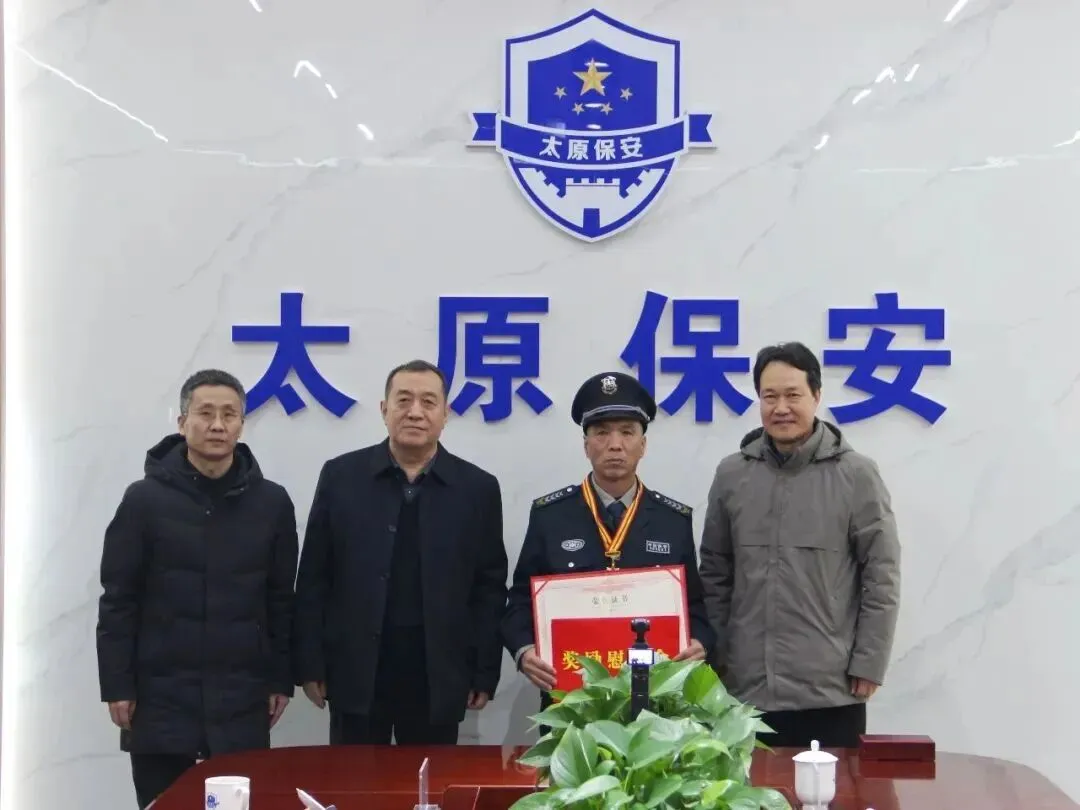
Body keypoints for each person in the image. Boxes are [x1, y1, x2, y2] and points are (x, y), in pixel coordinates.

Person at [96, 369, 299, 809]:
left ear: (242, 424)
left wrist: (280, 678)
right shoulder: (143, 500)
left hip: (240, 699)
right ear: (182, 422)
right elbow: (118, 599)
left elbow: (281, 600)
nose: (217, 425)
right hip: (160, 700)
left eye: (229, 415)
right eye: (205, 413)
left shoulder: (272, 503)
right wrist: (117, 684)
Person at [292, 359, 508, 745]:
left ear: (446, 414)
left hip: (438, 672)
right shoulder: (341, 477)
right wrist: (310, 663)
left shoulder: (477, 488)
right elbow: (313, 578)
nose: (415, 412)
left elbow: (488, 588)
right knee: (354, 778)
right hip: (355, 668)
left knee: (430, 779)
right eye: (403, 400)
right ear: (384, 409)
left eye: (428, 402)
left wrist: (484, 671)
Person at [699, 342, 901, 748]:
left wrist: (869, 662)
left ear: (817, 396)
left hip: (830, 689)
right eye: (769, 396)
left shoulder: (856, 475)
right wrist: (717, 657)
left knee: (833, 786)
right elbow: (715, 571)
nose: (781, 408)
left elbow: (881, 574)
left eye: (793, 395)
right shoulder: (732, 474)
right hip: (745, 688)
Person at [502, 371, 716, 698]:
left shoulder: (673, 521)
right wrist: (524, 650)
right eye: (601, 432)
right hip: (571, 696)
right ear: (586, 445)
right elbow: (519, 601)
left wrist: (700, 641)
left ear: (643, 445)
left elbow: (696, 606)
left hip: (655, 696)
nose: (615, 445)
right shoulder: (550, 516)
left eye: (627, 432)